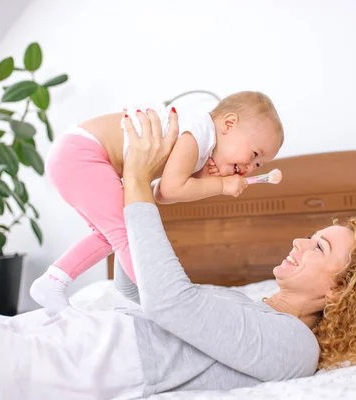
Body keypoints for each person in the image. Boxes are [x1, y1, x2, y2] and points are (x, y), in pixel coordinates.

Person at [0, 109, 356, 400]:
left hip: (75, 364)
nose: (298, 242)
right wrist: (150, 196)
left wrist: (136, 181)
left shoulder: (295, 347)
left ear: (341, 291)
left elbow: (167, 305)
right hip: (61, 337)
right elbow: (139, 293)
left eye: (318, 245)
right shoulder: (253, 308)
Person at [30, 91, 285, 315]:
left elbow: (161, 194)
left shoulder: (201, 145)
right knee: (129, 233)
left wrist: (206, 178)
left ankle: (53, 281)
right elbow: (172, 188)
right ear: (229, 123)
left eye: (259, 165)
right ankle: (165, 304)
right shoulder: (198, 131)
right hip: (83, 153)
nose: (251, 167)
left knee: (109, 234)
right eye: (254, 155)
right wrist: (221, 186)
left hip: (73, 153)